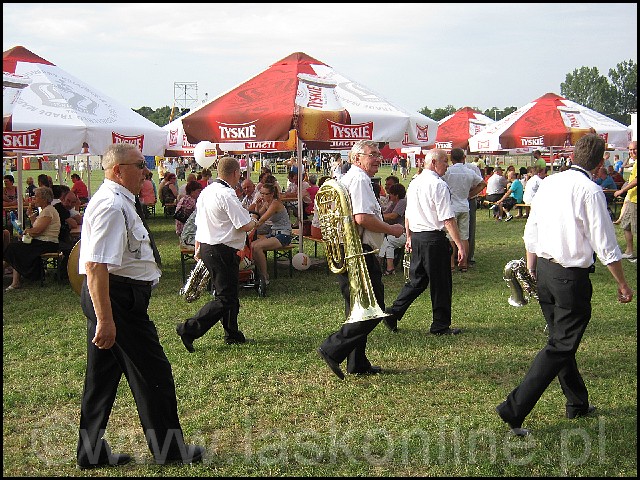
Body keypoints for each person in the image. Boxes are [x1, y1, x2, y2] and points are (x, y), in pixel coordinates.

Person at [496, 134, 634, 437]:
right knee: (561, 345)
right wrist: (622, 283)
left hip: (546, 270)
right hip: (569, 277)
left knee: (561, 341)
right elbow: (605, 243)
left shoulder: (549, 183)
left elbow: (531, 230)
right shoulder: (590, 190)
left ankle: (577, 402)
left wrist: (532, 267)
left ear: (572, 155)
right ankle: (514, 408)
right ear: (600, 163)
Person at [76, 143, 204, 468]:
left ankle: (90, 453)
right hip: (116, 301)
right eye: (139, 165)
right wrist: (106, 319)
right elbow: (95, 266)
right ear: (118, 170)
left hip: (116, 299)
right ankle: (169, 450)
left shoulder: (120, 201)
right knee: (153, 373)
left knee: (101, 380)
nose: (146, 171)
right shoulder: (110, 205)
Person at [317, 140, 404, 379]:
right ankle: (332, 348)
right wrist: (391, 229)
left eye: (378, 154)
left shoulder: (353, 178)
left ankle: (357, 363)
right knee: (374, 308)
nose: (378, 158)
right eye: (372, 154)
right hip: (359, 252)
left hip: (352, 250)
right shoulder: (360, 180)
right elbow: (362, 218)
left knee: (357, 308)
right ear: (357, 158)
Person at [176, 156, 257, 352]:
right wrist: (255, 220)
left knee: (230, 294)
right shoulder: (227, 194)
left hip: (210, 246)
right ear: (236, 173)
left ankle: (232, 333)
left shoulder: (207, 191)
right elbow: (243, 224)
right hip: (221, 249)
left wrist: (198, 247)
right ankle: (189, 329)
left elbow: (200, 222)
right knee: (225, 298)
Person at [383, 149, 465, 336]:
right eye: (444, 162)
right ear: (434, 162)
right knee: (441, 283)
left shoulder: (414, 182)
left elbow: (409, 213)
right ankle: (440, 325)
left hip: (418, 237)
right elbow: (447, 219)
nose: (447, 166)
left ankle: (393, 313)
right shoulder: (438, 185)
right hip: (433, 239)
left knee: (417, 281)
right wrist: (459, 245)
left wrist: (409, 236)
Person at [3, 186, 60, 291]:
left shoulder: (48, 211)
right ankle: (15, 281)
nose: (34, 199)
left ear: (44, 199)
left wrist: (26, 231)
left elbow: (38, 230)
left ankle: (15, 281)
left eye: (36, 197)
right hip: (43, 242)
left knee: (14, 248)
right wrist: (31, 216)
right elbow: (37, 226)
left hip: (47, 243)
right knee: (15, 248)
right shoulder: (45, 210)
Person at [442, 148, 486, 272]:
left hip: (451, 206)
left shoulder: (448, 171)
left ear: (451, 159)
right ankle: (464, 263)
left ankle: (451, 263)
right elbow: (482, 184)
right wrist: (471, 194)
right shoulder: (469, 171)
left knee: (451, 236)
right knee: (464, 237)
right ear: (463, 158)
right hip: (464, 206)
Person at [249, 182, 293, 291]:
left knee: (258, 247)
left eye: (265, 194)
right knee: (252, 245)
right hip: (273, 233)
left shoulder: (275, 204)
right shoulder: (266, 203)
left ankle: (265, 276)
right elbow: (258, 215)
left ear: (272, 194)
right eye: (261, 193)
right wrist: (257, 206)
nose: (263, 196)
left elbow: (262, 219)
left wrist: (250, 226)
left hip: (284, 234)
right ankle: (259, 272)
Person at [613, 140, 637, 262]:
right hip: (631, 198)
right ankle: (629, 252)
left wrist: (622, 190)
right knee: (626, 225)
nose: (632, 152)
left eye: (634, 149)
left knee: (635, 228)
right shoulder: (635, 162)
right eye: (630, 149)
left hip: (635, 201)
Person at [378, 182, 407, 275]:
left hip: (404, 233)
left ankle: (379, 261)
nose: (389, 195)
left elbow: (392, 216)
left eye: (391, 194)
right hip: (396, 232)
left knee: (387, 241)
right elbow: (386, 213)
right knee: (388, 244)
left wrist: (377, 218)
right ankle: (390, 268)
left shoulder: (402, 202)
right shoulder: (394, 203)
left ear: (396, 195)